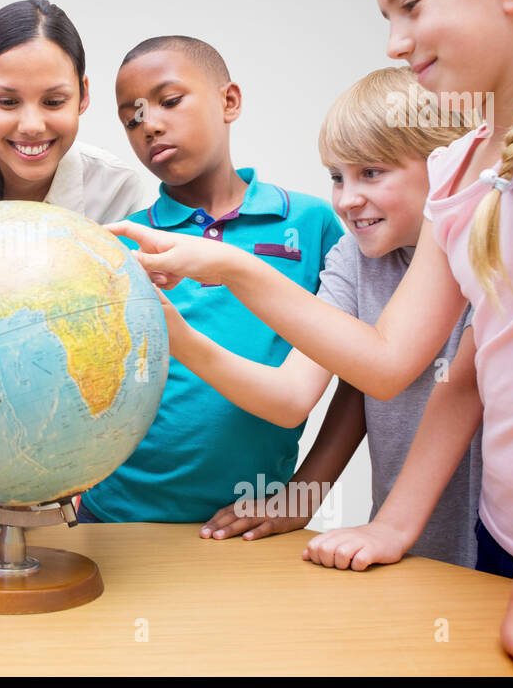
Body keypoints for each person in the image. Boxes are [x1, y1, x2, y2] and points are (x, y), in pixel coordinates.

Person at [111, 0, 513, 677]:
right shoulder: (467, 160)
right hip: (512, 551)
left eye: (412, 6)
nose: (395, 42)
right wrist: (395, 526)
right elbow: (413, 365)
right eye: (386, 15)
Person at [176, 67, 483, 568]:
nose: (346, 199)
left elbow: (447, 385)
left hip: (503, 538)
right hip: (408, 543)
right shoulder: (354, 260)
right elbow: (302, 393)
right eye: (337, 177)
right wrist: (301, 497)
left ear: (444, 165)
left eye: (371, 173)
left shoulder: (486, 250)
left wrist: (231, 269)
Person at [81, 35, 344, 524]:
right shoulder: (119, 245)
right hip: (112, 522)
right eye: (131, 118)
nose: (151, 125)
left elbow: (359, 374)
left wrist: (304, 496)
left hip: (249, 527)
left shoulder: (314, 225)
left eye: (170, 100)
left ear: (230, 101)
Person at [0, 0, 149, 222]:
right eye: (8, 102)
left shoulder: (116, 190)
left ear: (83, 95)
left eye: (54, 101)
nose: (32, 126)